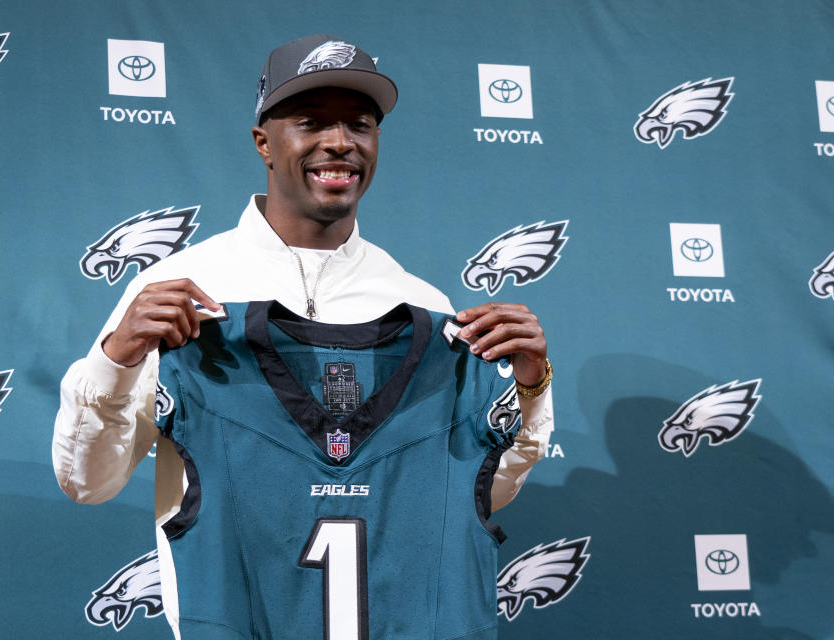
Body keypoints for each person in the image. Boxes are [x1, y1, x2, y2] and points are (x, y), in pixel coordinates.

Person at [53, 34, 554, 637]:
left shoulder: (424, 305)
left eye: (360, 125)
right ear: (265, 142)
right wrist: (115, 361)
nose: (339, 142)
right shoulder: (177, 291)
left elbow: (470, 497)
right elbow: (87, 482)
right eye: (311, 121)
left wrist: (530, 389)